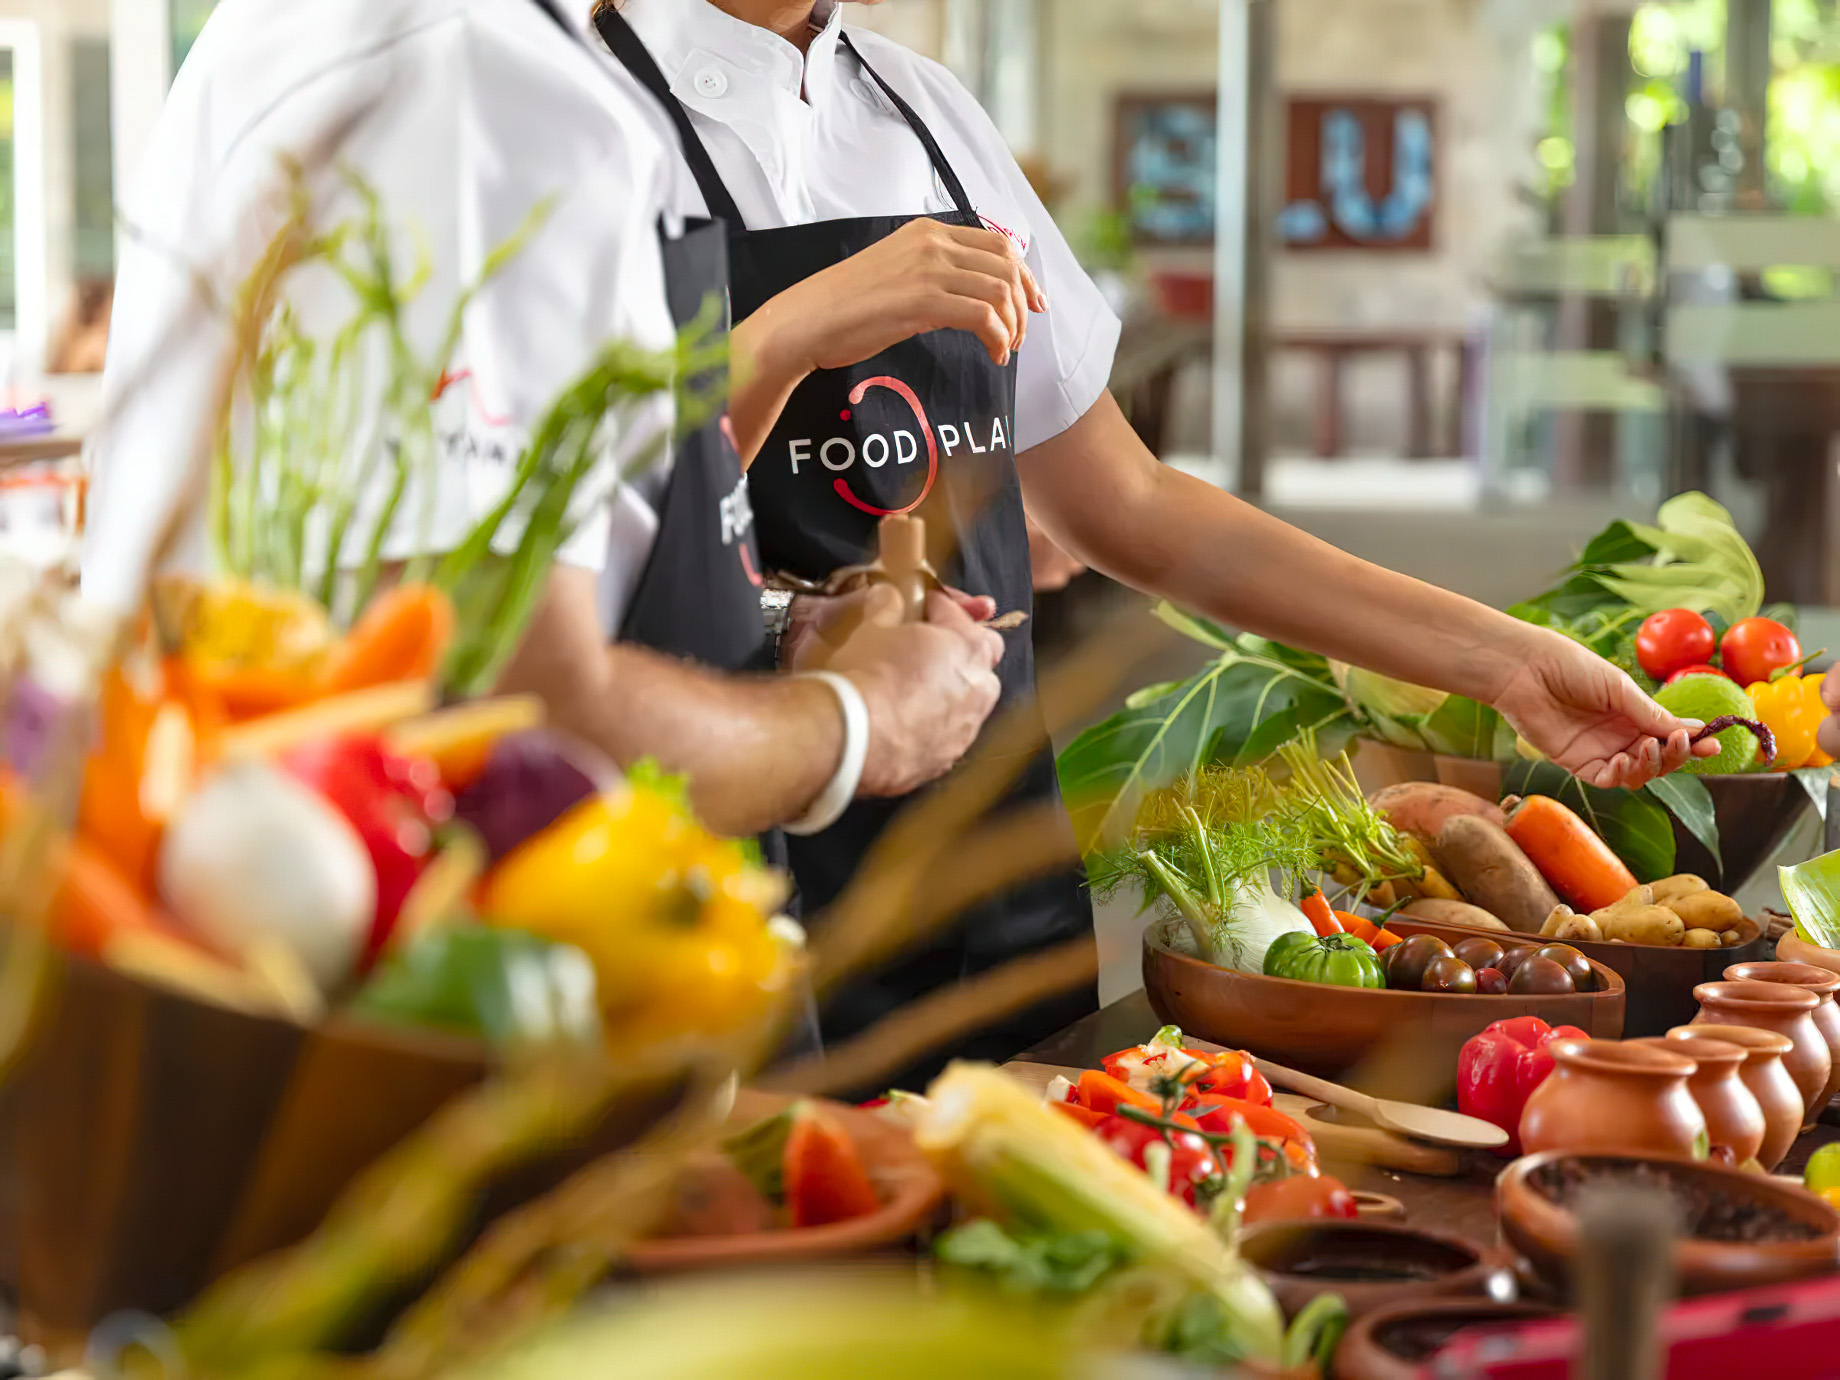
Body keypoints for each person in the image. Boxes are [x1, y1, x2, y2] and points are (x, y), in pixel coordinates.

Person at [595, 0, 1713, 1078]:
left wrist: (1505, 661)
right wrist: (795, 329)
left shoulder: (926, 115)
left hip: (983, 852)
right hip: (722, 859)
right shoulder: (580, 112)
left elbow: (1126, 506)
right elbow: (583, 535)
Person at [81, 0, 1008, 848]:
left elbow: (416, 573)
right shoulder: (475, 78)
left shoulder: (394, 36)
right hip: (424, 950)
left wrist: (761, 625)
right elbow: (489, 693)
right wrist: (861, 720)